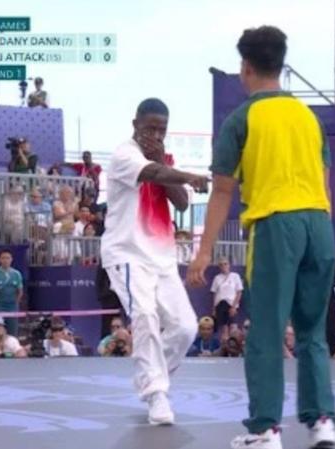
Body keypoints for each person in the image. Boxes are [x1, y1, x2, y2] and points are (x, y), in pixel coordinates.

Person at [185, 26, 335, 449]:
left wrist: (203, 253)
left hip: (276, 226)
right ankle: (323, 420)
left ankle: (265, 431)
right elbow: (326, 185)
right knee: (312, 332)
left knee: (267, 332)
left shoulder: (241, 119)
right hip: (320, 226)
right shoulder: (309, 117)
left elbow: (222, 190)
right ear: (282, 66)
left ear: (244, 68)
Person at [100, 97, 207, 426]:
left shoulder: (165, 159)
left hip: (162, 259)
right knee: (144, 315)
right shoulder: (124, 155)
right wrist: (186, 174)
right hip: (127, 254)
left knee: (187, 328)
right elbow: (152, 172)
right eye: (150, 129)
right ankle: (157, 393)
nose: (156, 136)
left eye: (162, 130)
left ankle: (152, 380)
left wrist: (175, 173)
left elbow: (183, 203)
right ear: (135, 125)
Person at [211, 257, 244, 342]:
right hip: (220, 304)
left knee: (233, 328)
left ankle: (234, 350)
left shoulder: (235, 276)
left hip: (231, 304)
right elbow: (214, 293)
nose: (223, 266)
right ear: (219, 267)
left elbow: (239, 292)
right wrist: (214, 308)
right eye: (221, 264)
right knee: (224, 330)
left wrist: (233, 307)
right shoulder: (217, 278)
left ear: (229, 265)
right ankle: (224, 350)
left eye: (225, 264)